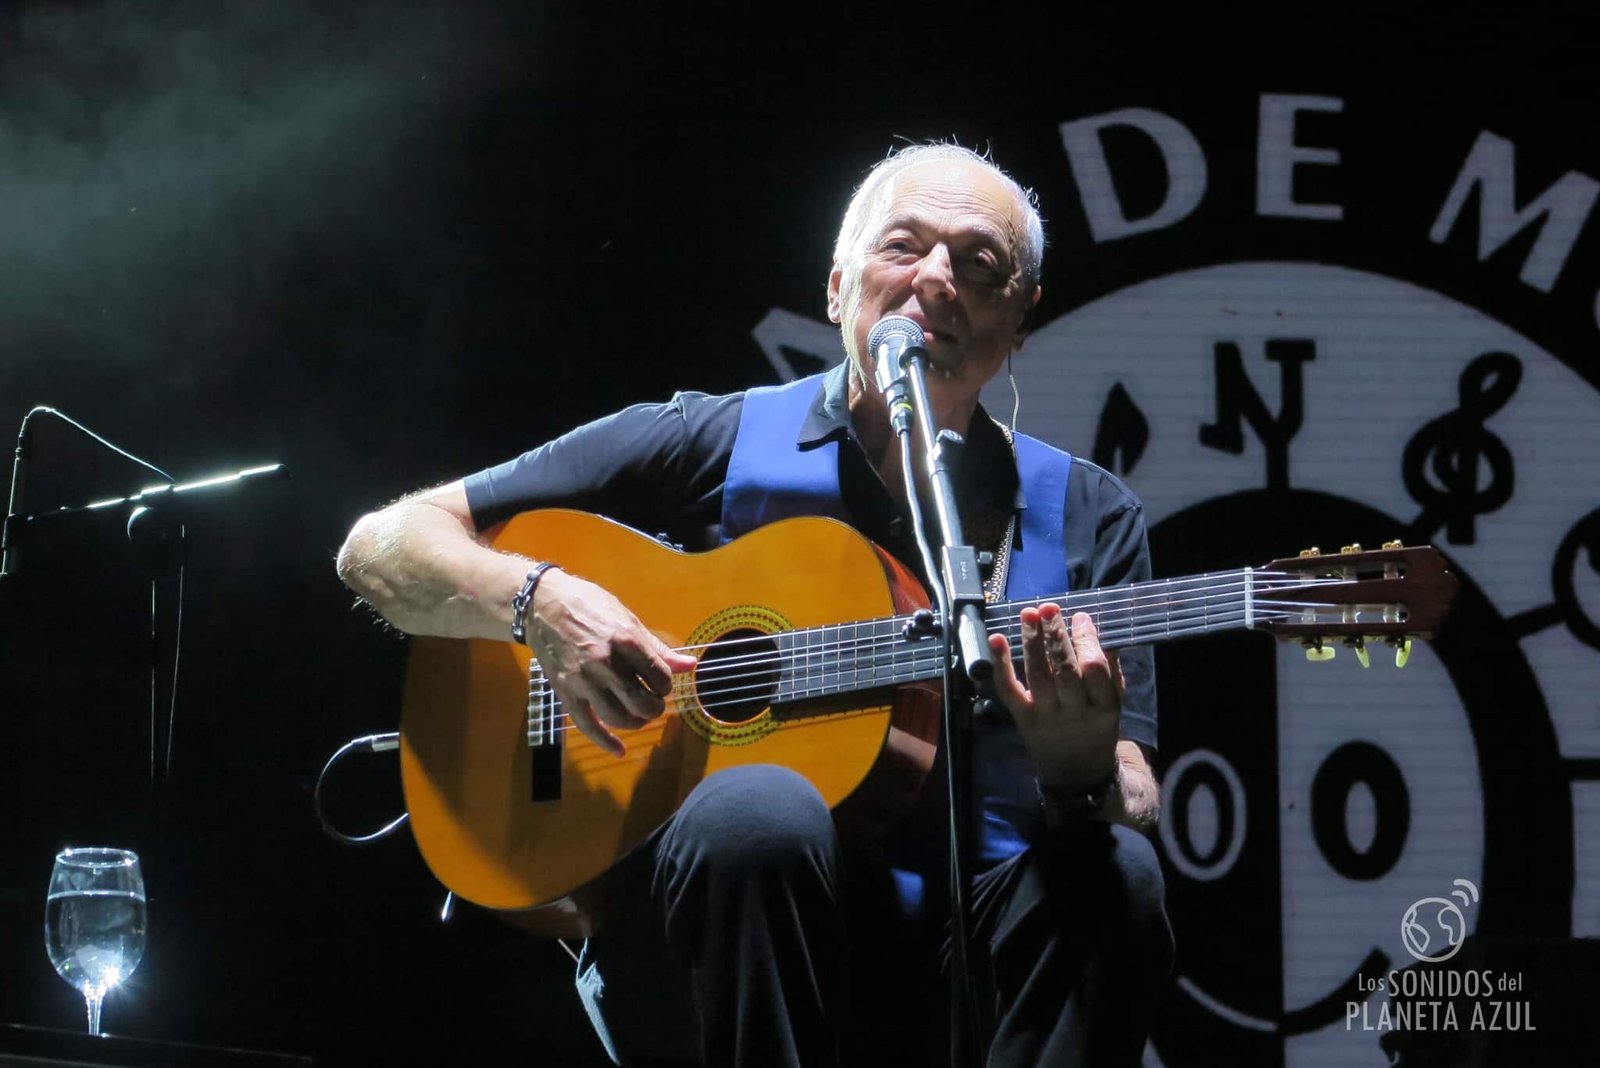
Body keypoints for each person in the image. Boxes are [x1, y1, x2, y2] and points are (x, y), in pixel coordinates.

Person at [337, 143, 1173, 1067]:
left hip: (970, 972)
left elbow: (1133, 794)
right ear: (838, 287)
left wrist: (1078, 772)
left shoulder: (1086, 511)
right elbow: (383, 543)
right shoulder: (713, 442)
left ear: (1019, 320)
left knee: (1120, 874)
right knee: (758, 809)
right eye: (903, 245)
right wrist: (543, 603)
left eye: (980, 265)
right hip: (722, 955)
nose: (937, 278)